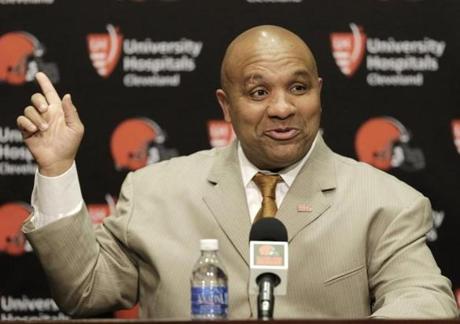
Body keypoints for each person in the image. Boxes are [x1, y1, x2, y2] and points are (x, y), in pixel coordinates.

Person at [17, 25, 458, 319]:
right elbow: (84, 291)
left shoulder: (384, 201)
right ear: (226, 106)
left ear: (319, 95)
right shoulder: (154, 190)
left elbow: (425, 299)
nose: (282, 108)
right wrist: (56, 169)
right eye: (259, 91)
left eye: (298, 88)